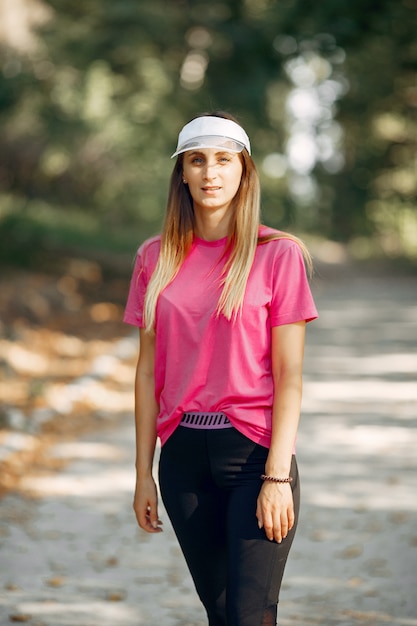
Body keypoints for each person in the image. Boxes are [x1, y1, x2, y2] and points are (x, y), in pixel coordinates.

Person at [123, 111, 318, 626]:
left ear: (243, 171)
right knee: (221, 611)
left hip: (254, 456)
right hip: (183, 459)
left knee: (252, 614)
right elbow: (147, 373)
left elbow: (290, 376)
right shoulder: (154, 257)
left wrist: (277, 475)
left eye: (223, 160)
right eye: (197, 160)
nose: (211, 172)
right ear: (182, 173)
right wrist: (143, 473)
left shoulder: (279, 255)